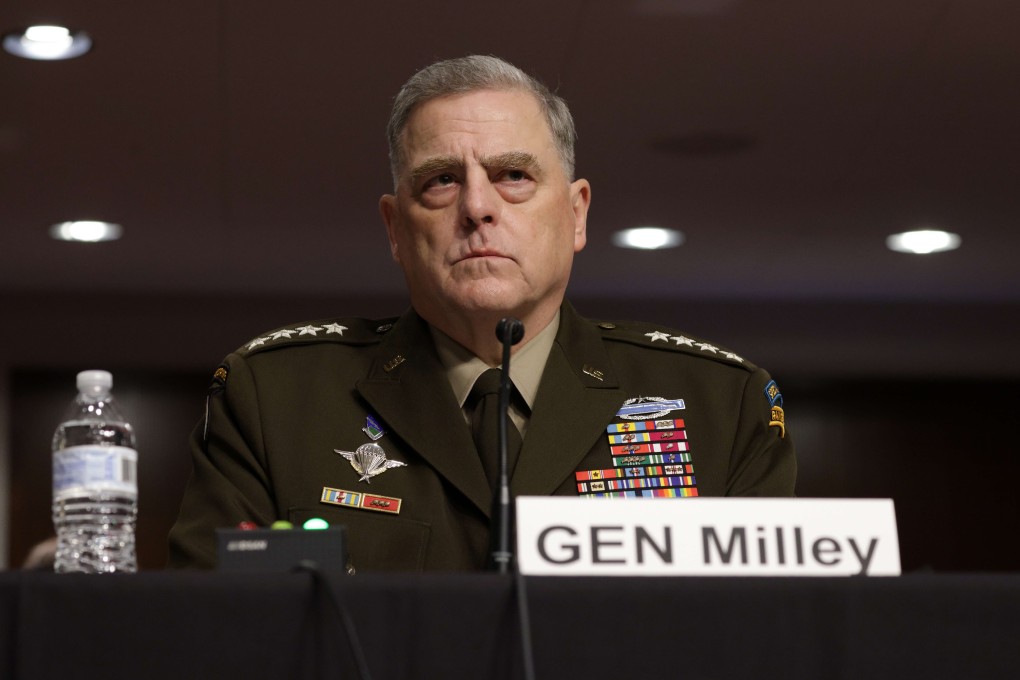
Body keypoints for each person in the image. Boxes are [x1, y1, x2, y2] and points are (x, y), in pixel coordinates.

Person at [168, 55, 795, 572]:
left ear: (576, 213)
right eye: (441, 180)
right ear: (395, 228)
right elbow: (207, 637)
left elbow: (777, 641)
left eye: (513, 175)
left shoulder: (720, 405)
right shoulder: (275, 399)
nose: (476, 206)